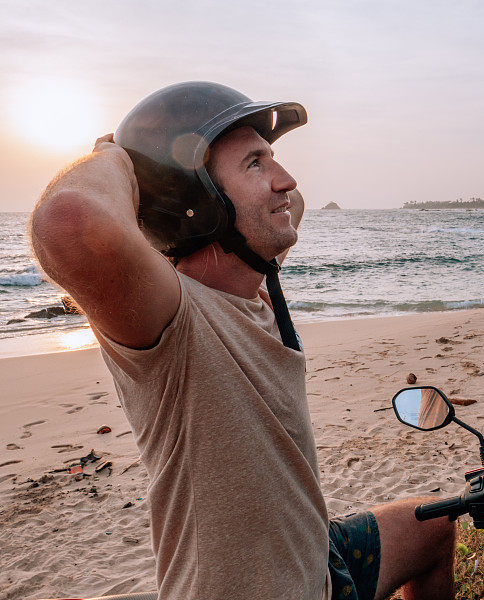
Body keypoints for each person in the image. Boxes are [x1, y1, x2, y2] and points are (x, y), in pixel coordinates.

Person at [29, 81, 455, 600]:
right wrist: (116, 154)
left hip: (318, 560)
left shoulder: (259, 283)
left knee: (434, 526)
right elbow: (69, 223)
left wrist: (234, 173)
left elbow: (289, 206)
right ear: (198, 201)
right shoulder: (174, 321)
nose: (287, 181)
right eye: (256, 164)